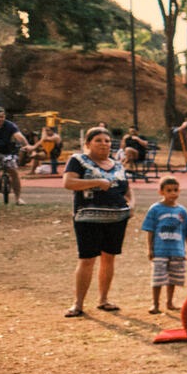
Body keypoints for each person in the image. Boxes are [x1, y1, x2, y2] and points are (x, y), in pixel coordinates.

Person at [63, 126, 132, 316]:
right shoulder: (78, 161)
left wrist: (132, 204)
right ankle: (78, 304)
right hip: (88, 217)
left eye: (107, 141)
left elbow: (126, 189)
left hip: (117, 218)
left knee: (109, 258)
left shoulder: (117, 165)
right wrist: (96, 182)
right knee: (87, 259)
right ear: (88, 143)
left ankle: (103, 299)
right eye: (98, 140)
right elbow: (68, 183)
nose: (104, 144)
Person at [141, 176, 187, 314]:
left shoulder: (181, 211)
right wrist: (150, 249)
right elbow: (150, 230)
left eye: (175, 190)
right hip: (160, 251)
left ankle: (170, 302)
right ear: (161, 192)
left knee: (173, 278)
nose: (173, 193)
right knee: (158, 278)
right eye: (169, 190)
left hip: (177, 251)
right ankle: (155, 304)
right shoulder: (155, 209)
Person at [0, 106, 27, 204]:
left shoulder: (10, 125)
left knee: (13, 172)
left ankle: (18, 198)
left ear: (4, 116)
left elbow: (19, 136)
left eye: (1, 117)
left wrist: (26, 145)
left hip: (6, 152)